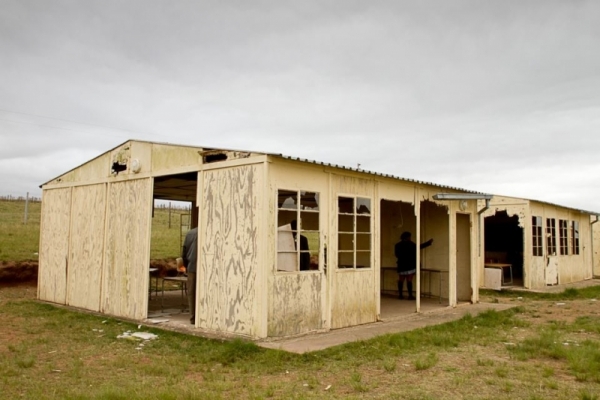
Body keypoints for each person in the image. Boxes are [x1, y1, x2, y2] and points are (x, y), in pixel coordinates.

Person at [395, 231, 433, 300]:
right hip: (410, 264)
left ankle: (400, 295)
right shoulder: (411, 244)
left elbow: (396, 255)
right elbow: (419, 247)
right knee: (409, 280)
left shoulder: (397, 245)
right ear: (407, 237)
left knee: (401, 280)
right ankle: (410, 295)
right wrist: (428, 243)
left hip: (401, 265)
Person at [182, 226, 198, 325]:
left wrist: (185, 266)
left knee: (191, 293)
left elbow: (184, 252)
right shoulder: (207, 232)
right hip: (204, 268)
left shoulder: (190, 233)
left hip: (191, 267)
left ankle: (192, 318)